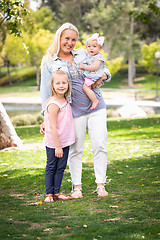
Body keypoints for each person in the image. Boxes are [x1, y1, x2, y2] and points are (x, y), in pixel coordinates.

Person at [40, 22, 111, 199]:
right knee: (75, 149)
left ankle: (100, 185)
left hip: (97, 105)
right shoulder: (49, 61)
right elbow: (46, 92)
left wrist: (104, 75)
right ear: (59, 38)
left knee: (100, 145)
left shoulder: (82, 53)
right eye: (67, 39)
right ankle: (77, 187)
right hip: (73, 111)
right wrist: (45, 117)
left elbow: (101, 65)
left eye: (73, 39)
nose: (70, 43)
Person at [43, 70, 75, 203]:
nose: (61, 85)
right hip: (54, 142)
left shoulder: (64, 99)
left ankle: (57, 192)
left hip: (64, 140)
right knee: (51, 166)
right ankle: (49, 193)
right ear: (52, 85)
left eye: (64, 82)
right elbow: (52, 126)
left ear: (68, 84)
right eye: (58, 83)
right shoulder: (53, 103)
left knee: (61, 167)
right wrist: (57, 146)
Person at [79, 33, 105, 110]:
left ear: (100, 47)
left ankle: (94, 100)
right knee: (88, 87)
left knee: (85, 87)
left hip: (94, 75)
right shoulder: (90, 56)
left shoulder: (98, 57)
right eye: (89, 46)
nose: (91, 48)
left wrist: (84, 66)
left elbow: (94, 67)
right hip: (92, 74)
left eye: (94, 46)